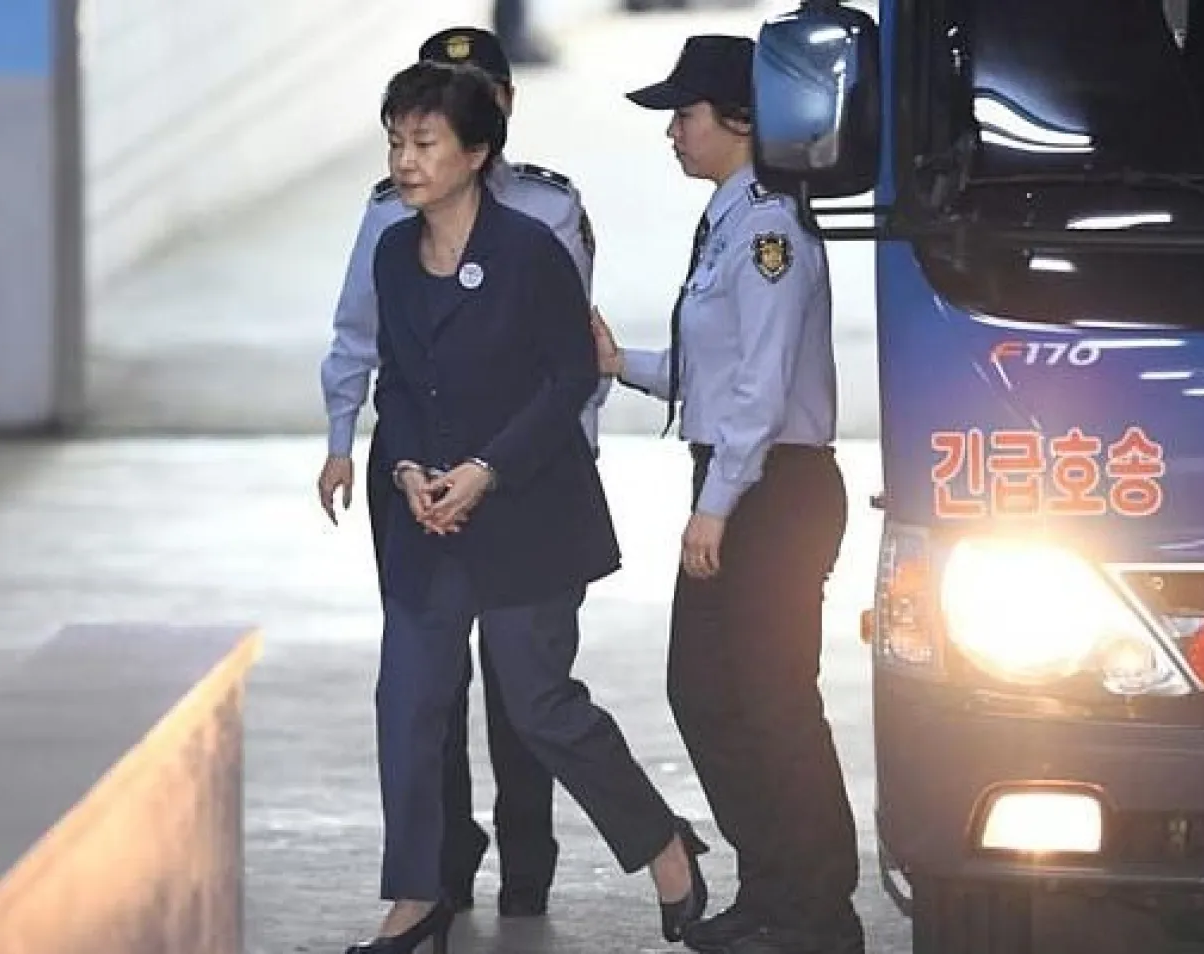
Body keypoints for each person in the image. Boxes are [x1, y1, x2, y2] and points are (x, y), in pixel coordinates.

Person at [343, 60, 706, 954]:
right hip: (427, 520)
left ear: (476, 152)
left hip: (527, 516)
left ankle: (661, 840)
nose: (407, 159)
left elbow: (571, 377)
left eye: (424, 143)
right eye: (396, 141)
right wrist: (404, 476)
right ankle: (415, 894)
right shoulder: (393, 250)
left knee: (540, 706)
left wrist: (484, 471)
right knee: (410, 700)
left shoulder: (530, 249)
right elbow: (402, 384)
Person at [317, 26, 606, 917]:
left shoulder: (549, 212)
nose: (411, 151)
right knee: (424, 681)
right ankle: (438, 869)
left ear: (497, 114)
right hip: (412, 465)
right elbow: (360, 336)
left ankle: (529, 858)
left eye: (455, 101)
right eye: (406, 126)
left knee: (526, 684)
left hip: (522, 472)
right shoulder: (388, 211)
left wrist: (550, 463)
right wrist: (346, 440)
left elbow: (569, 360)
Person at [590, 34, 865, 954]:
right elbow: (714, 372)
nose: (673, 132)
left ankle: (818, 911)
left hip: (773, 488)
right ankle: (772, 885)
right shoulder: (729, 222)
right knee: (705, 690)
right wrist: (620, 362)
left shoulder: (773, 230)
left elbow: (761, 387)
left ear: (738, 121)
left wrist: (718, 505)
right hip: (739, 475)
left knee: (773, 696)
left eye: (685, 115)